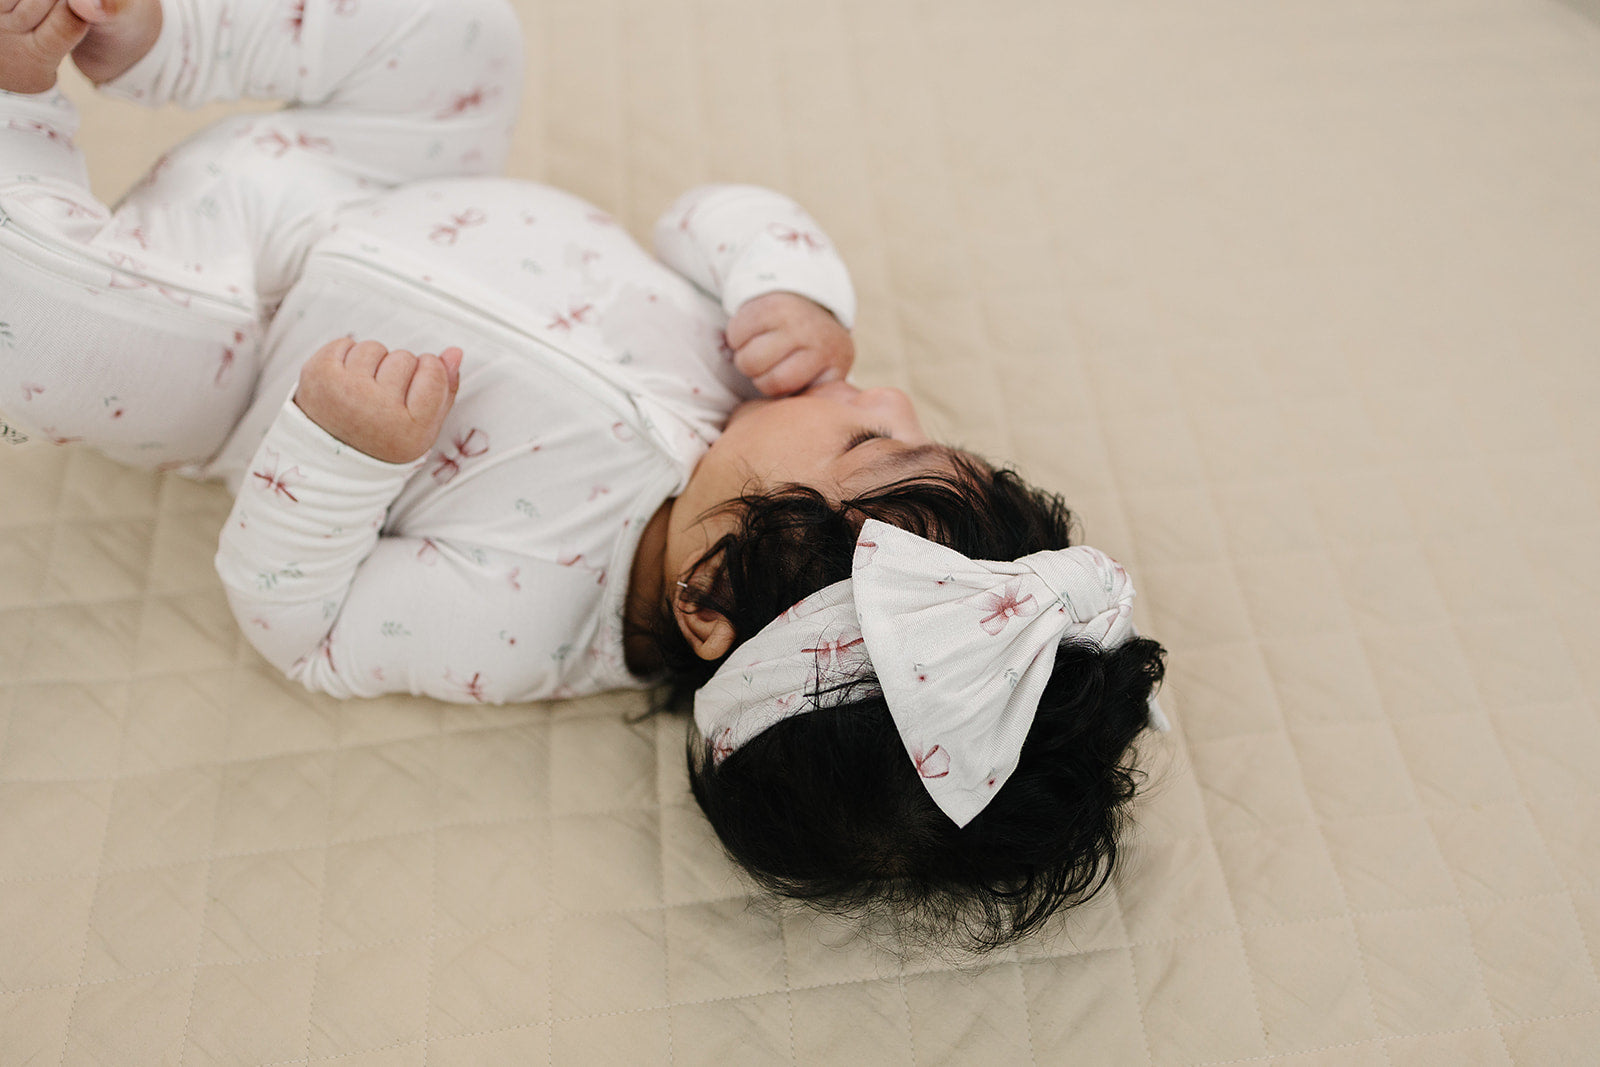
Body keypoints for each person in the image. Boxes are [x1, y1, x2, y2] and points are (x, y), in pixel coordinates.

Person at [1, 0, 1167, 948]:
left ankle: (20, 103)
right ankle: (153, 33)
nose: (886, 393)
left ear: (709, 594)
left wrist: (340, 450)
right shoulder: (758, 363)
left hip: (224, 348)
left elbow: (305, 627)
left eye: (867, 442)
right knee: (463, 33)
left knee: (48, 335)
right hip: (382, 172)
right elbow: (703, 216)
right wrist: (788, 284)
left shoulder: (530, 621)